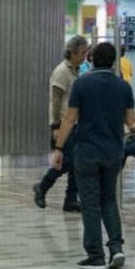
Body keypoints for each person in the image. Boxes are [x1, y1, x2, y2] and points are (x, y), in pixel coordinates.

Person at [52, 42, 135, 269]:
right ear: (113, 61)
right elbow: (131, 122)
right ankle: (116, 248)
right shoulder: (124, 87)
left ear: (92, 59)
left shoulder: (82, 84)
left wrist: (58, 148)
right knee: (109, 200)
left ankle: (95, 255)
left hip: (87, 152)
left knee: (90, 203)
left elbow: (69, 119)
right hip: (113, 153)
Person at [34, 36, 89, 212]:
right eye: (82, 53)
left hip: (76, 123)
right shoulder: (62, 71)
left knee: (76, 163)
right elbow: (56, 100)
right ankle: (43, 186)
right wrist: (56, 126)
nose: (84, 56)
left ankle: (71, 199)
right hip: (65, 124)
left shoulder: (75, 70)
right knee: (68, 162)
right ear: (73, 52)